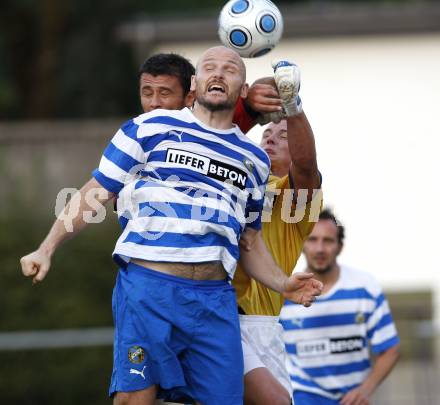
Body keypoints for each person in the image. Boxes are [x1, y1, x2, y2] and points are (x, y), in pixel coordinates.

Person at [20, 46, 322, 405]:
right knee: (136, 399)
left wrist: (284, 283)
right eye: (209, 67)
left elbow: (250, 241)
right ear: (195, 83)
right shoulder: (149, 127)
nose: (218, 73)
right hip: (150, 291)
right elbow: (96, 191)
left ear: (243, 90)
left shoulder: (253, 159)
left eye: (230, 69)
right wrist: (47, 246)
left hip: (215, 302)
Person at [232, 61, 323, 405]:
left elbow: (306, 167)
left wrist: (292, 107)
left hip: (258, 323)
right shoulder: (233, 180)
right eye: (266, 134)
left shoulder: (294, 201)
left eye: (282, 136)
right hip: (211, 306)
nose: (270, 138)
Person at [280, 208, 400, 405]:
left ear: (339, 246)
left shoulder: (364, 287)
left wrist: (365, 390)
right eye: (312, 239)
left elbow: (390, 348)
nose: (319, 248)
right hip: (302, 394)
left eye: (328, 240)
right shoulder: (285, 291)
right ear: (302, 244)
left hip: (351, 399)